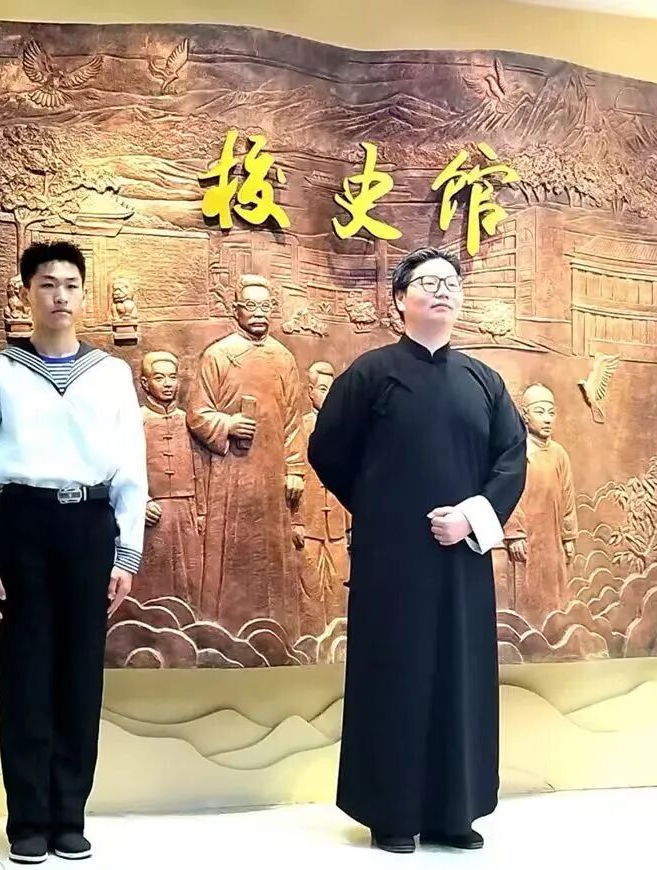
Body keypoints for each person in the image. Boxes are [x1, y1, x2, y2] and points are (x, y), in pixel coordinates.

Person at [308, 247, 527, 853]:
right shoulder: (371, 374)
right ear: (400, 299)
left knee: (461, 676)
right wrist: (382, 508)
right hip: (391, 561)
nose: (443, 290)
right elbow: (328, 450)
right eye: (428, 282)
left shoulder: (484, 381)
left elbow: (511, 459)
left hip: (463, 559)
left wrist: (470, 518)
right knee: (395, 675)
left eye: (452, 282)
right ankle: (393, 814)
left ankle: (455, 812)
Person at [0, 241, 148, 865]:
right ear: (26, 293)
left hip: (89, 525)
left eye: (70, 284)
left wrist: (126, 554)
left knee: (80, 673)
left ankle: (69, 816)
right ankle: (27, 822)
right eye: (46, 283)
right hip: (22, 524)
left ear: (83, 294)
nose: (59, 295)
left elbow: (132, 469)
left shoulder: (110, 373)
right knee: (25, 673)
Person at [186, 275, 305, 641]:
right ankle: (223, 631)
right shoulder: (219, 355)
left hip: (272, 473)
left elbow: (293, 420)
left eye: (265, 306)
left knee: (272, 552)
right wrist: (228, 424)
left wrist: (295, 469)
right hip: (231, 474)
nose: (258, 313)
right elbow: (197, 413)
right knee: (232, 550)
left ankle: (279, 632)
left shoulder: (282, 358)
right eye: (250, 306)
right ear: (235, 309)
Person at [501, 384, 578, 625]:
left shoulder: (559, 454)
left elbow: (567, 497)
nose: (547, 419)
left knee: (555, 586)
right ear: (525, 415)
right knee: (528, 588)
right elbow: (509, 495)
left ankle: (555, 629)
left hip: (553, 537)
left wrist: (568, 537)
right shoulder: (518, 453)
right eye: (540, 412)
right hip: (528, 538)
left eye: (551, 412)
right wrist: (515, 534)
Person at [136, 350, 205, 608]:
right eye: (159, 377)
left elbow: (200, 466)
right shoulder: (137, 420)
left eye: (172, 377)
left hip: (187, 509)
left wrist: (201, 511)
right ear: (145, 383)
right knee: (156, 575)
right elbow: (123, 467)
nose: (168, 384)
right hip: (154, 511)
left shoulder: (187, 420)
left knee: (192, 575)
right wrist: (140, 501)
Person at [294, 361, 350, 636]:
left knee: (340, 581)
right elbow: (291, 474)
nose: (328, 396)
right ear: (310, 391)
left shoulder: (346, 429)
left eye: (332, 389)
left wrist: (352, 523)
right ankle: (311, 640)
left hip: (337, 525)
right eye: (323, 389)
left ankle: (339, 641)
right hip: (310, 524)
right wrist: (295, 521)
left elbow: (354, 478)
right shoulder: (300, 428)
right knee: (310, 585)